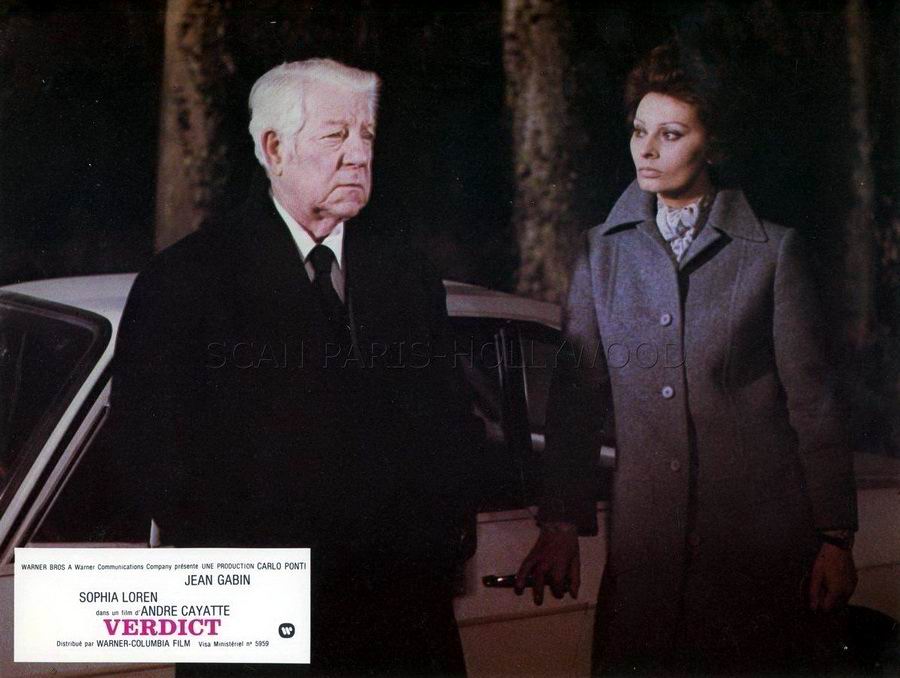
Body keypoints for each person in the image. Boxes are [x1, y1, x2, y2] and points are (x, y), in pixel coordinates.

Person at [109, 58, 482, 676]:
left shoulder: (408, 275)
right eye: (336, 135)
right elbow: (149, 453)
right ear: (274, 149)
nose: (358, 156)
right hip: (264, 630)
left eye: (366, 135)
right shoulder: (187, 279)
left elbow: (450, 426)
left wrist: (431, 545)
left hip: (403, 623)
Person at [516, 42, 858, 675]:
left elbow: (813, 404)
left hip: (758, 554)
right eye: (638, 131)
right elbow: (576, 397)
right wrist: (560, 522)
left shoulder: (773, 253)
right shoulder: (600, 253)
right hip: (646, 558)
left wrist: (836, 537)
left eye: (670, 134)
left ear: (712, 145)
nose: (646, 150)